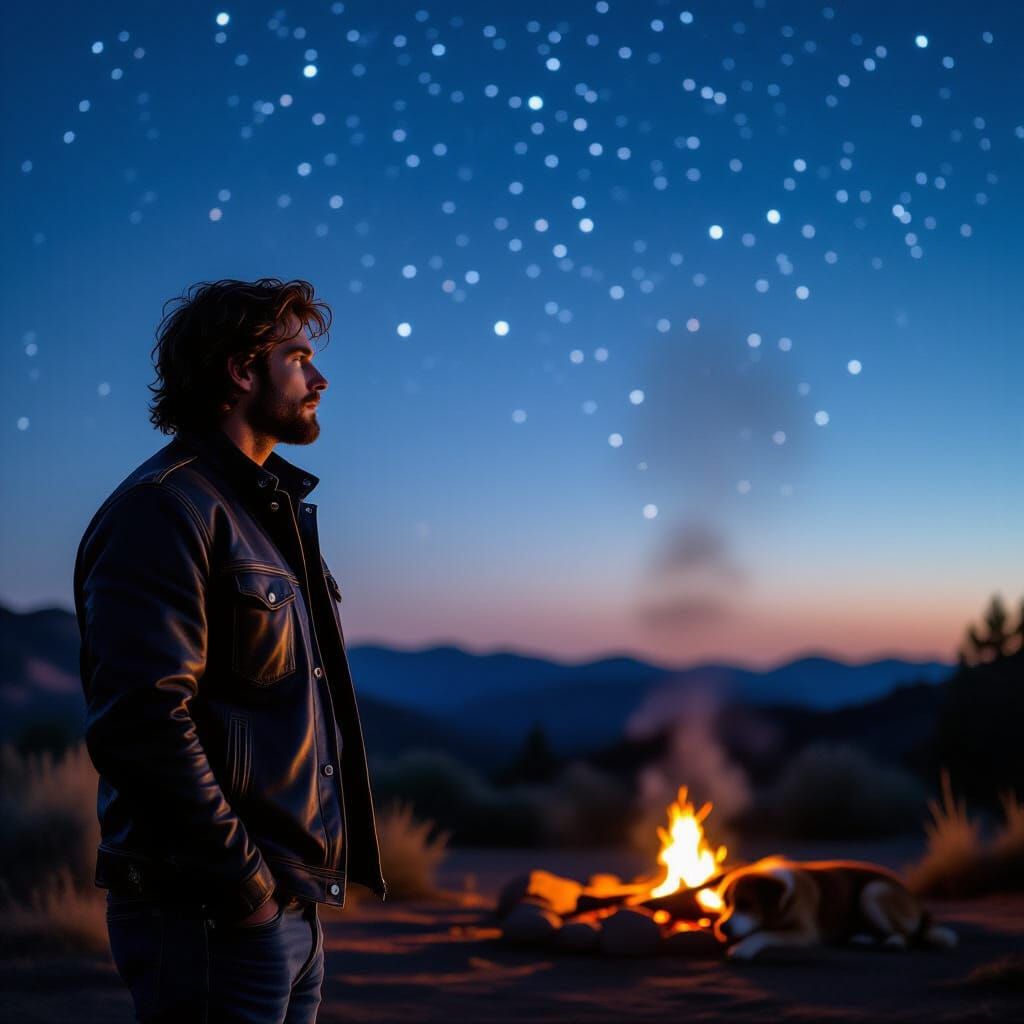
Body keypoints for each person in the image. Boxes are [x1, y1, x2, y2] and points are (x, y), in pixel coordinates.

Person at [73, 278, 387, 1023]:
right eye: (299, 357)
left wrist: (284, 892)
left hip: (280, 910)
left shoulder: (258, 516)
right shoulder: (165, 508)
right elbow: (142, 721)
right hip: (212, 913)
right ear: (243, 371)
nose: (320, 378)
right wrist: (242, 886)